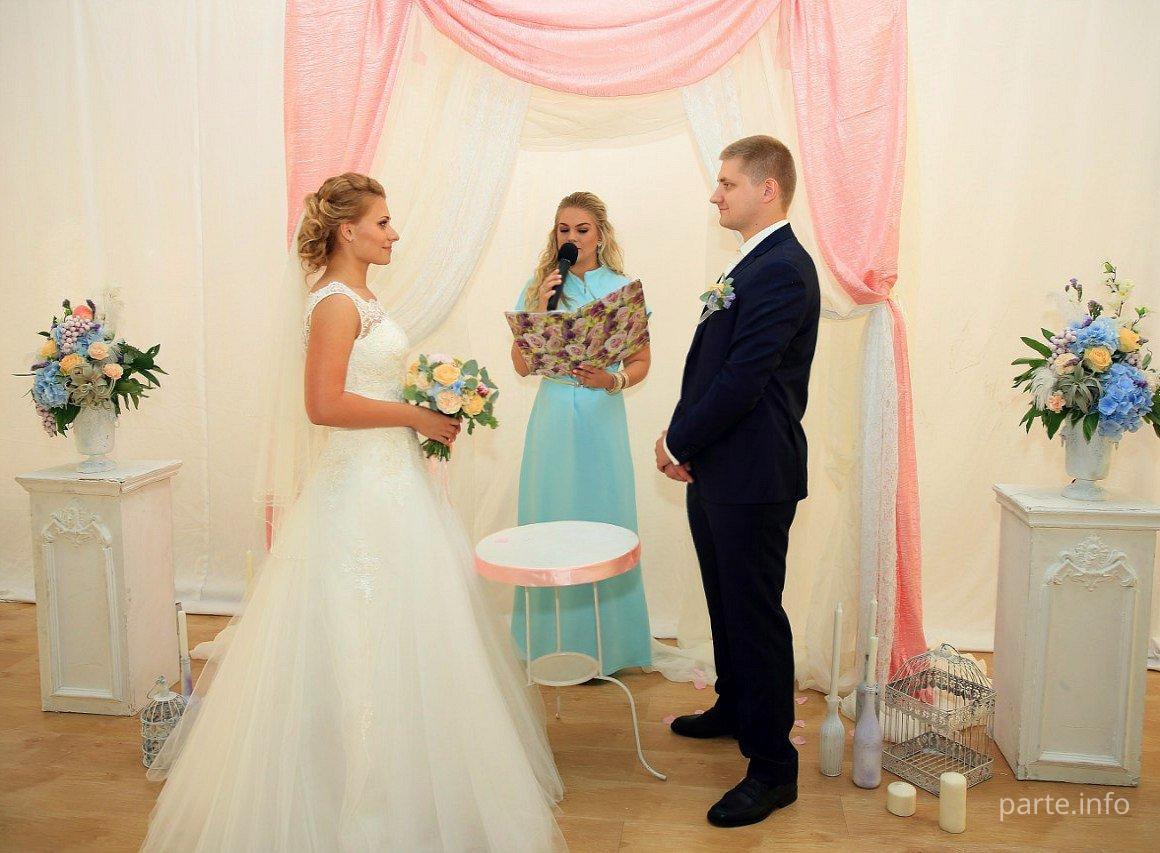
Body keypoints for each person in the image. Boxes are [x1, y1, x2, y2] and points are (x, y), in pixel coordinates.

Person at [142, 173, 564, 851]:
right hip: (361, 489)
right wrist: (415, 414)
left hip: (392, 480)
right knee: (357, 633)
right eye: (383, 222)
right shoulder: (335, 304)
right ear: (348, 230)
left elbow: (366, 385)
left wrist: (426, 407)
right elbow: (324, 405)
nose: (395, 233)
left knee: (409, 632)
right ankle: (353, 796)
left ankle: (413, 784)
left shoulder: (364, 297)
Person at [655, 136, 820, 828]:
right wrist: (683, 436)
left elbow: (744, 380)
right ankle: (734, 704)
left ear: (767, 189)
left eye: (727, 183)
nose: (715, 194)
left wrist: (678, 441)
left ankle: (773, 768)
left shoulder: (782, 269)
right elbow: (709, 369)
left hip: (754, 472)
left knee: (755, 616)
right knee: (725, 601)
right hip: (720, 466)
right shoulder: (752, 261)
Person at [509, 192, 652, 675]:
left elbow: (641, 361)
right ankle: (551, 644)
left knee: (604, 519)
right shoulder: (540, 286)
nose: (571, 238)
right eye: (563, 229)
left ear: (600, 234)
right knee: (550, 515)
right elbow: (522, 365)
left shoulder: (622, 288)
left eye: (582, 229)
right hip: (552, 414)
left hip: (600, 416)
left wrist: (612, 379)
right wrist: (540, 307)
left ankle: (611, 648)